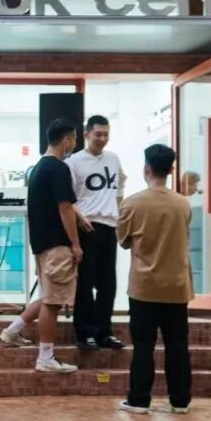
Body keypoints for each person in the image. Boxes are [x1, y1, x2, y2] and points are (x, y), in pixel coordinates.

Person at [117, 144, 194, 415]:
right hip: (177, 286)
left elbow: (123, 241)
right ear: (171, 170)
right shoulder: (184, 204)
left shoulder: (132, 203)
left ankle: (139, 400)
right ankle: (180, 401)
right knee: (178, 344)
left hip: (144, 287)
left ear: (146, 169)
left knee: (143, 345)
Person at [25, 118, 82, 373]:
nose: (74, 144)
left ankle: (18, 333)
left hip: (42, 244)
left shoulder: (38, 168)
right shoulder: (59, 168)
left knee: (49, 298)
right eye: (74, 139)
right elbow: (65, 207)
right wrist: (76, 244)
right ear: (67, 139)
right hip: (57, 244)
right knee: (52, 302)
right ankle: (45, 357)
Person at [67, 115, 126, 351]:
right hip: (87, 227)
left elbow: (119, 190)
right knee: (85, 283)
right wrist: (78, 219)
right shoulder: (74, 162)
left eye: (106, 134)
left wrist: (120, 219)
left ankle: (104, 332)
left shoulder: (113, 158)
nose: (102, 139)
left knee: (108, 284)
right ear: (86, 134)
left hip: (110, 226)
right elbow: (67, 199)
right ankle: (85, 333)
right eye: (98, 134)